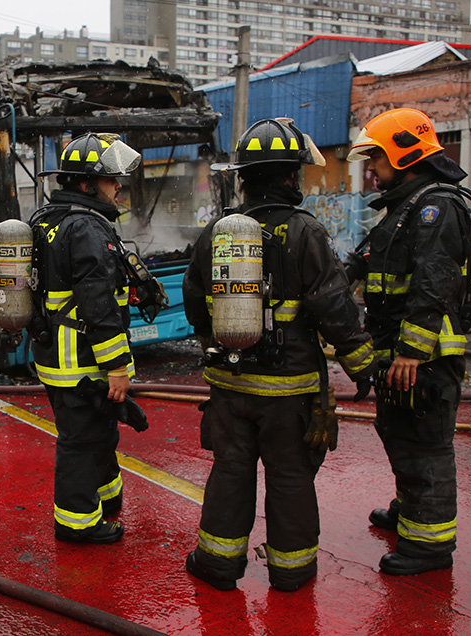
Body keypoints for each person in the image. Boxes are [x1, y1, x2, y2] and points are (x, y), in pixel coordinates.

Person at [182, 119, 374, 591]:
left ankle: (218, 564)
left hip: (229, 386)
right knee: (289, 477)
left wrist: (219, 344)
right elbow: (334, 306)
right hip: (289, 388)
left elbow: (193, 301)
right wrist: (363, 363)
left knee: (230, 470)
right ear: (291, 176)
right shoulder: (305, 231)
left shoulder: (218, 234)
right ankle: (291, 573)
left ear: (245, 177)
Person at [345, 107, 471, 576]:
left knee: (426, 444)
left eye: (375, 159)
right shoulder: (406, 208)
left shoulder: (437, 207)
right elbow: (364, 260)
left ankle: (429, 547)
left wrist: (412, 352)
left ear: (403, 154)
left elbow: (434, 282)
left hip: (425, 358)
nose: (371, 170)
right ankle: (410, 511)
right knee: (399, 431)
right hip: (401, 355)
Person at [31, 132, 144, 545]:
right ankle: (77, 524)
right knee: (81, 442)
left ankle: (106, 500)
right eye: (111, 180)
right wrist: (117, 367)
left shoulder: (46, 221)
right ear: (86, 184)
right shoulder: (87, 229)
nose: (118, 187)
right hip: (81, 362)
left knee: (97, 434)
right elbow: (100, 306)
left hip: (54, 360)